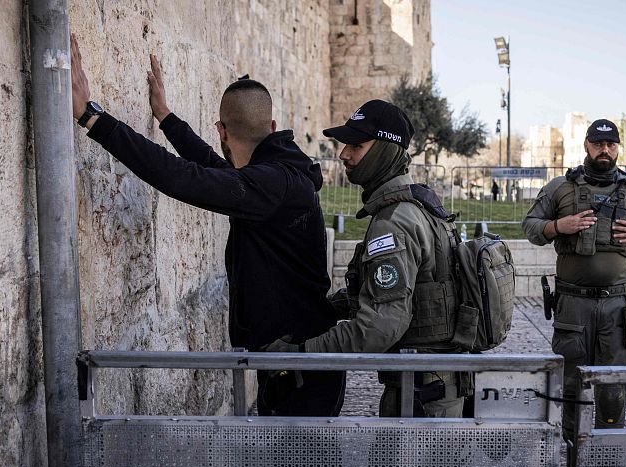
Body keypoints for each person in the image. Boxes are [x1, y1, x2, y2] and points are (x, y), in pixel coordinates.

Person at [68, 35, 345, 416]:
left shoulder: (271, 185)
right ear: (273, 125)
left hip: (298, 369)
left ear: (222, 130)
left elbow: (184, 178)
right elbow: (214, 171)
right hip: (295, 362)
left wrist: (91, 117)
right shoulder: (281, 178)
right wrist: (167, 119)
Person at [265, 99, 467, 418]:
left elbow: (380, 326)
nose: (344, 154)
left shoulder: (395, 222)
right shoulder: (416, 208)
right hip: (430, 390)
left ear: (385, 150)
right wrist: (319, 312)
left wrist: (299, 353)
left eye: (356, 146)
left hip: (422, 402)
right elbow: (392, 292)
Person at [521, 119, 626, 445]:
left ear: (617, 148)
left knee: (614, 386)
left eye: (611, 144)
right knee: (571, 383)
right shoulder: (561, 188)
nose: (605, 149)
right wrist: (560, 225)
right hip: (573, 306)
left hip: (618, 307)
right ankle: (573, 452)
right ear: (586, 145)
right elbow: (530, 227)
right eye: (598, 143)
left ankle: (607, 454)